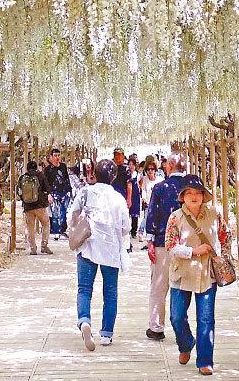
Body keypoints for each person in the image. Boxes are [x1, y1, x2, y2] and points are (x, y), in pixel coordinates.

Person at [69, 159, 131, 350]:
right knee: (110, 292)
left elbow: (71, 215)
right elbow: (125, 227)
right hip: (110, 250)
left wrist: (76, 227)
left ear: (94, 173)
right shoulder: (118, 198)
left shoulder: (85, 192)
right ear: (113, 176)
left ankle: (85, 320)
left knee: (84, 289)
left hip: (87, 247)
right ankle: (106, 334)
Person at [166, 174, 225, 376]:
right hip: (182, 273)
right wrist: (192, 251)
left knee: (206, 318)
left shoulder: (214, 214)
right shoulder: (175, 217)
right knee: (176, 317)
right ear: (182, 196)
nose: (193, 197)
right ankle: (186, 343)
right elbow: (170, 246)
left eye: (197, 193)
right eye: (188, 193)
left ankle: (205, 360)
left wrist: (222, 257)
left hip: (207, 273)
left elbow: (225, 236)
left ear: (203, 195)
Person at [143, 154, 188, 341]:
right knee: (183, 287)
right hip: (188, 246)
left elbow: (152, 215)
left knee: (159, 286)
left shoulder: (160, 188)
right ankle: (181, 327)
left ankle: (156, 327)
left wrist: (150, 242)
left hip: (163, 244)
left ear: (170, 166)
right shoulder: (191, 188)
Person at [19, 160, 52, 255]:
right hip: (40, 205)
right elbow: (47, 188)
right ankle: (44, 246)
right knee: (46, 224)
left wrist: (25, 200)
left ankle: (33, 248)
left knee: (30, 227)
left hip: (28, 207)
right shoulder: (40, 175)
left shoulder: (23, 177)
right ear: (36, 167)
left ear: (27, 168)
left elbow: (19, 191)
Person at [45, 147, 74, 240]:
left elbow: (66, 179)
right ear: (51, 157)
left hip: (64, 193)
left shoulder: (63, 166)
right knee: (55, 213)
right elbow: (46, 183)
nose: (57, 157)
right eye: (55, 156)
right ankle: (56, 232)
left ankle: (62, 230)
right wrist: (48, 194)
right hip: (53, 193)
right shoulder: (48, 169)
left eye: (58, 155)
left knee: (63, 212)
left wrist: (69, 191)